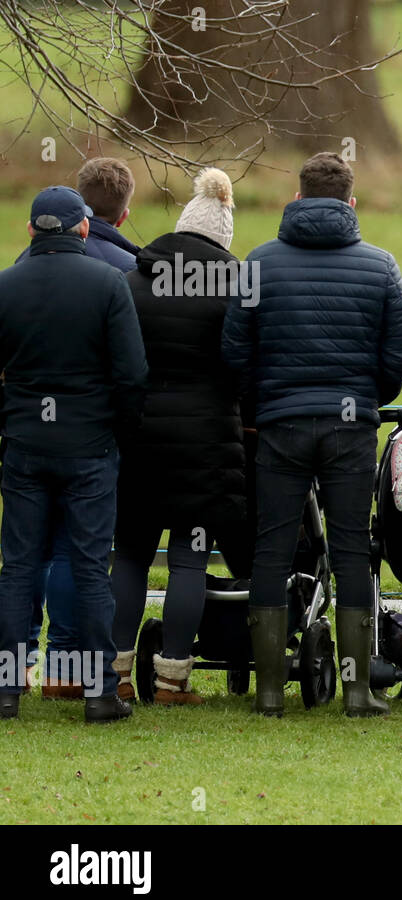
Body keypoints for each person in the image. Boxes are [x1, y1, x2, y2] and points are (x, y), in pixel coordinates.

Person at [222, 152, 402, 718]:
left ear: (298, 199)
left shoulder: (257, 264)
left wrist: (263, 402)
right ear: (351, 204)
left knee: (271, 549)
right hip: (350, 427)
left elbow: (235, 352)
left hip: (279, 425)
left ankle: (268, 693)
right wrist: (367, 397)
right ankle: (357, 692)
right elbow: (398, 354)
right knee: (353, 548)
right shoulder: (381, 267)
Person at [0, 185, 148, 723]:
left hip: (25, 448)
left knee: (17, 568)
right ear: (83, 228)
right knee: (89, 567)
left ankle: (7, 690)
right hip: (89, 447)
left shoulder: (6, 285)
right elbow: (132, 375)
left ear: (32, 231)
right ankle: (100, 692)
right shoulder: (109, 283)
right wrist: (117, 432)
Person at [110, 168, 245, 705]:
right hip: (204, 443)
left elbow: (118, 363)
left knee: (130, 556)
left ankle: (117, 672)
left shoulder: (130, 282)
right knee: (190, 558)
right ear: (222, 241)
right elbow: (241, 366)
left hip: (137, 440)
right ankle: (172, 679)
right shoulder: (235, 287)